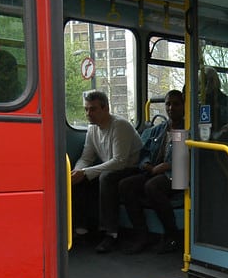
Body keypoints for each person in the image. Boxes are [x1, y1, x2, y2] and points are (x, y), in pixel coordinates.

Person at [72, 90, 143, 253]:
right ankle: (81, 230)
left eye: (93, 109)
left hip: (132, 169)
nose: (88, 113)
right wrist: (78, 172)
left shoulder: (120, 125)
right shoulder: (92, 129)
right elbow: (86, 157)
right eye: (86, 109)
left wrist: (86, 172)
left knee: (106, 178)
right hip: (113, 168)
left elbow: (120, 161)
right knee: (79, 178)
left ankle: (110, 233)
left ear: (106, 109)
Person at [119, 90, 185, 254]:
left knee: (152, 187)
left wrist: (166, 166)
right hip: (154, 171)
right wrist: (148, 166)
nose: (171, 108)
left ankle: (172, 235)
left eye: (176, 104)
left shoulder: (186, 129)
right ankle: (141, 235)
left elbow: (184, 161)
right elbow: (144, 153)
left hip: (177, 175)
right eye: (168, 104)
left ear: (184, 106)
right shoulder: (158, 130)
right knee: (125, 185)